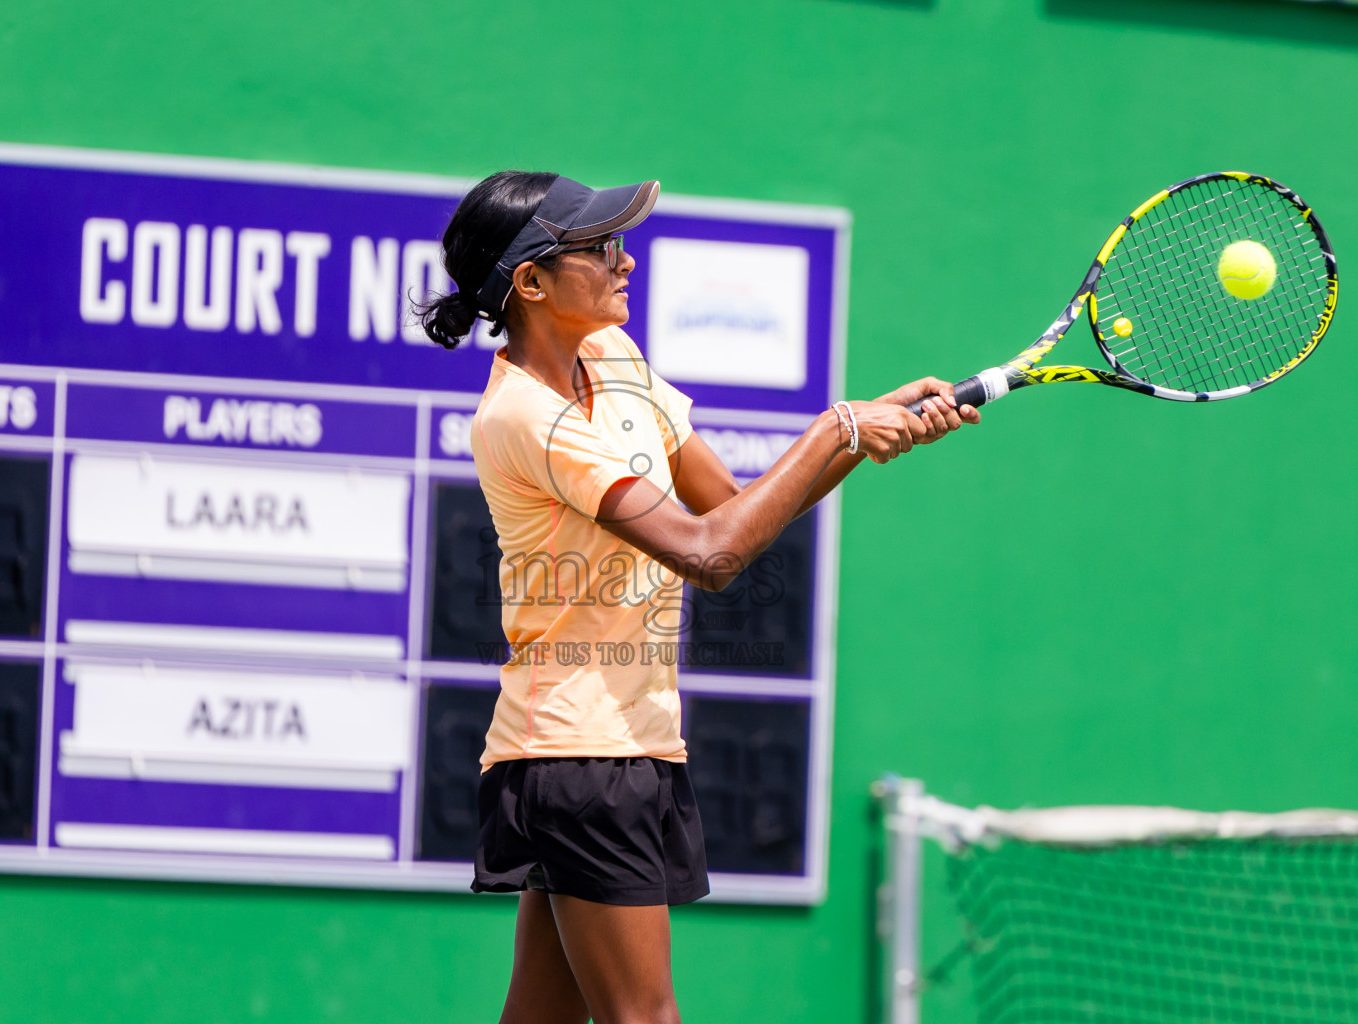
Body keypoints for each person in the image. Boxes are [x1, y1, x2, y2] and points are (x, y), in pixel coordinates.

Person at [419, 170, 979, 1024]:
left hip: (603, 751)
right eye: (598, 246)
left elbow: (729, 506)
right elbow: (709, 554)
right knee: (647, 1019)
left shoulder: (613, 357)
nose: (624, 260)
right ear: (529, 282)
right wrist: (838, 428)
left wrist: (863, 435)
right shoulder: (526, 419)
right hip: (583, 760)